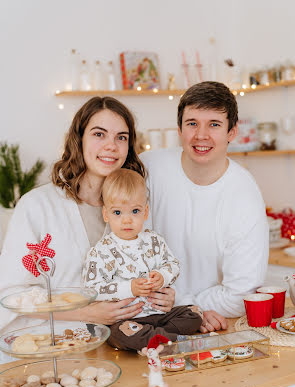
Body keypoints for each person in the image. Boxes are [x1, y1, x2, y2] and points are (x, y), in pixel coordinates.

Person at [0, 96, 175, 333]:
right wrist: (85, 313)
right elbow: (13, 294)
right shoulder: (37, 206)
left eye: (121, 137)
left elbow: (151, 266)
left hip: (127, 343)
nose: (111, 146)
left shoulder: (138, 206)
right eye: (99, 134)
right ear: (79, 139)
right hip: (59, 345)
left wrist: (162, 293)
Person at [141, 81, 269, 333]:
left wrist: (188, 309)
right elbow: (122, 247)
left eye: (214, 124)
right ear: (179, 128)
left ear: (232, 132)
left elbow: (241, 295)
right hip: (142, 316)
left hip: (208, 326)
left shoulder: (245, 195)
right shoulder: (149, 169)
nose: (201, 135)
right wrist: (192, 309)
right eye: (192, 123)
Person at [82, 169, 203, 351]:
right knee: (119, 334)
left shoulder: (154, 240)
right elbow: (92, 289)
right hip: (126, 319)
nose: (127, 220)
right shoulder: (101, 250)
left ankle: (157, 337)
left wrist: (162, 276)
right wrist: (129, 288)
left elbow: (173, 265)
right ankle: (172, 340)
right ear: (105, 214)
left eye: (135, 211)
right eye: (117, 213)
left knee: (195, 314)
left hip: (160, 313)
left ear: (145, 212)